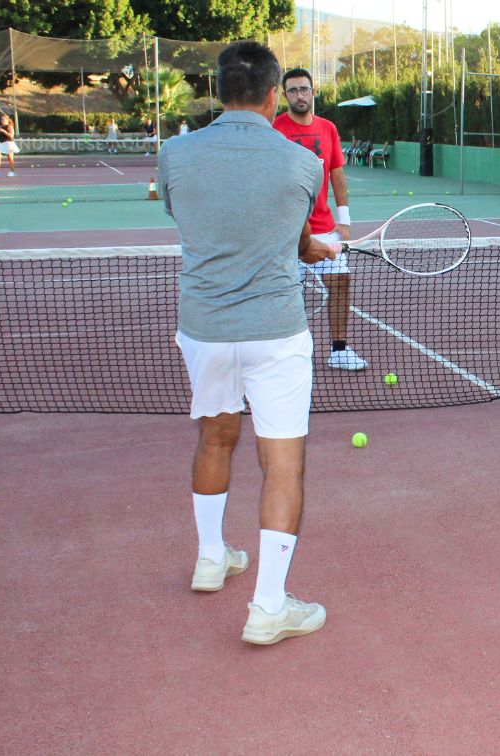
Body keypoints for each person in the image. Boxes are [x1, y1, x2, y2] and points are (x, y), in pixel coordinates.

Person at [158, 40, 336, 646]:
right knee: (281, 460)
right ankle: (267, 607)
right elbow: (295, 242)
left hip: (204, 328)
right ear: (270, 95)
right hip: (276, 331)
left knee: (214, 433)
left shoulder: (174, 155)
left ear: (218, 92)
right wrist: (321, 248)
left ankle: (212, 558)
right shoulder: (300, 163)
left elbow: (195, 222)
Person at [274, 68, 368, 371]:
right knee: (287, 292)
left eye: (304, 89)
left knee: (340, 281)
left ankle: (339, 349)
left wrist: (345, 220)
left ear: (313, 93)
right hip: (286, 232)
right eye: (293, 90)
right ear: (284, 95)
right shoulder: (275, 128)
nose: (299, 95)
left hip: (325, 228)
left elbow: (337, 174)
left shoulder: (328, 128)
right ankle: (287, 351)